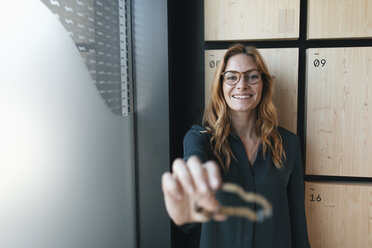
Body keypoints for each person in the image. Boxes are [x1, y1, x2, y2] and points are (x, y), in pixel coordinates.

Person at [162, 44, 310, 248]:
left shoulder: (289, 144)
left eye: (252, 76)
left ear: (264, 84)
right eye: (232, 77)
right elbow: (195, 165)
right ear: (220, 84)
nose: (242, 85)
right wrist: (191, 192)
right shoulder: (200, 139)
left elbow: (298, 227)